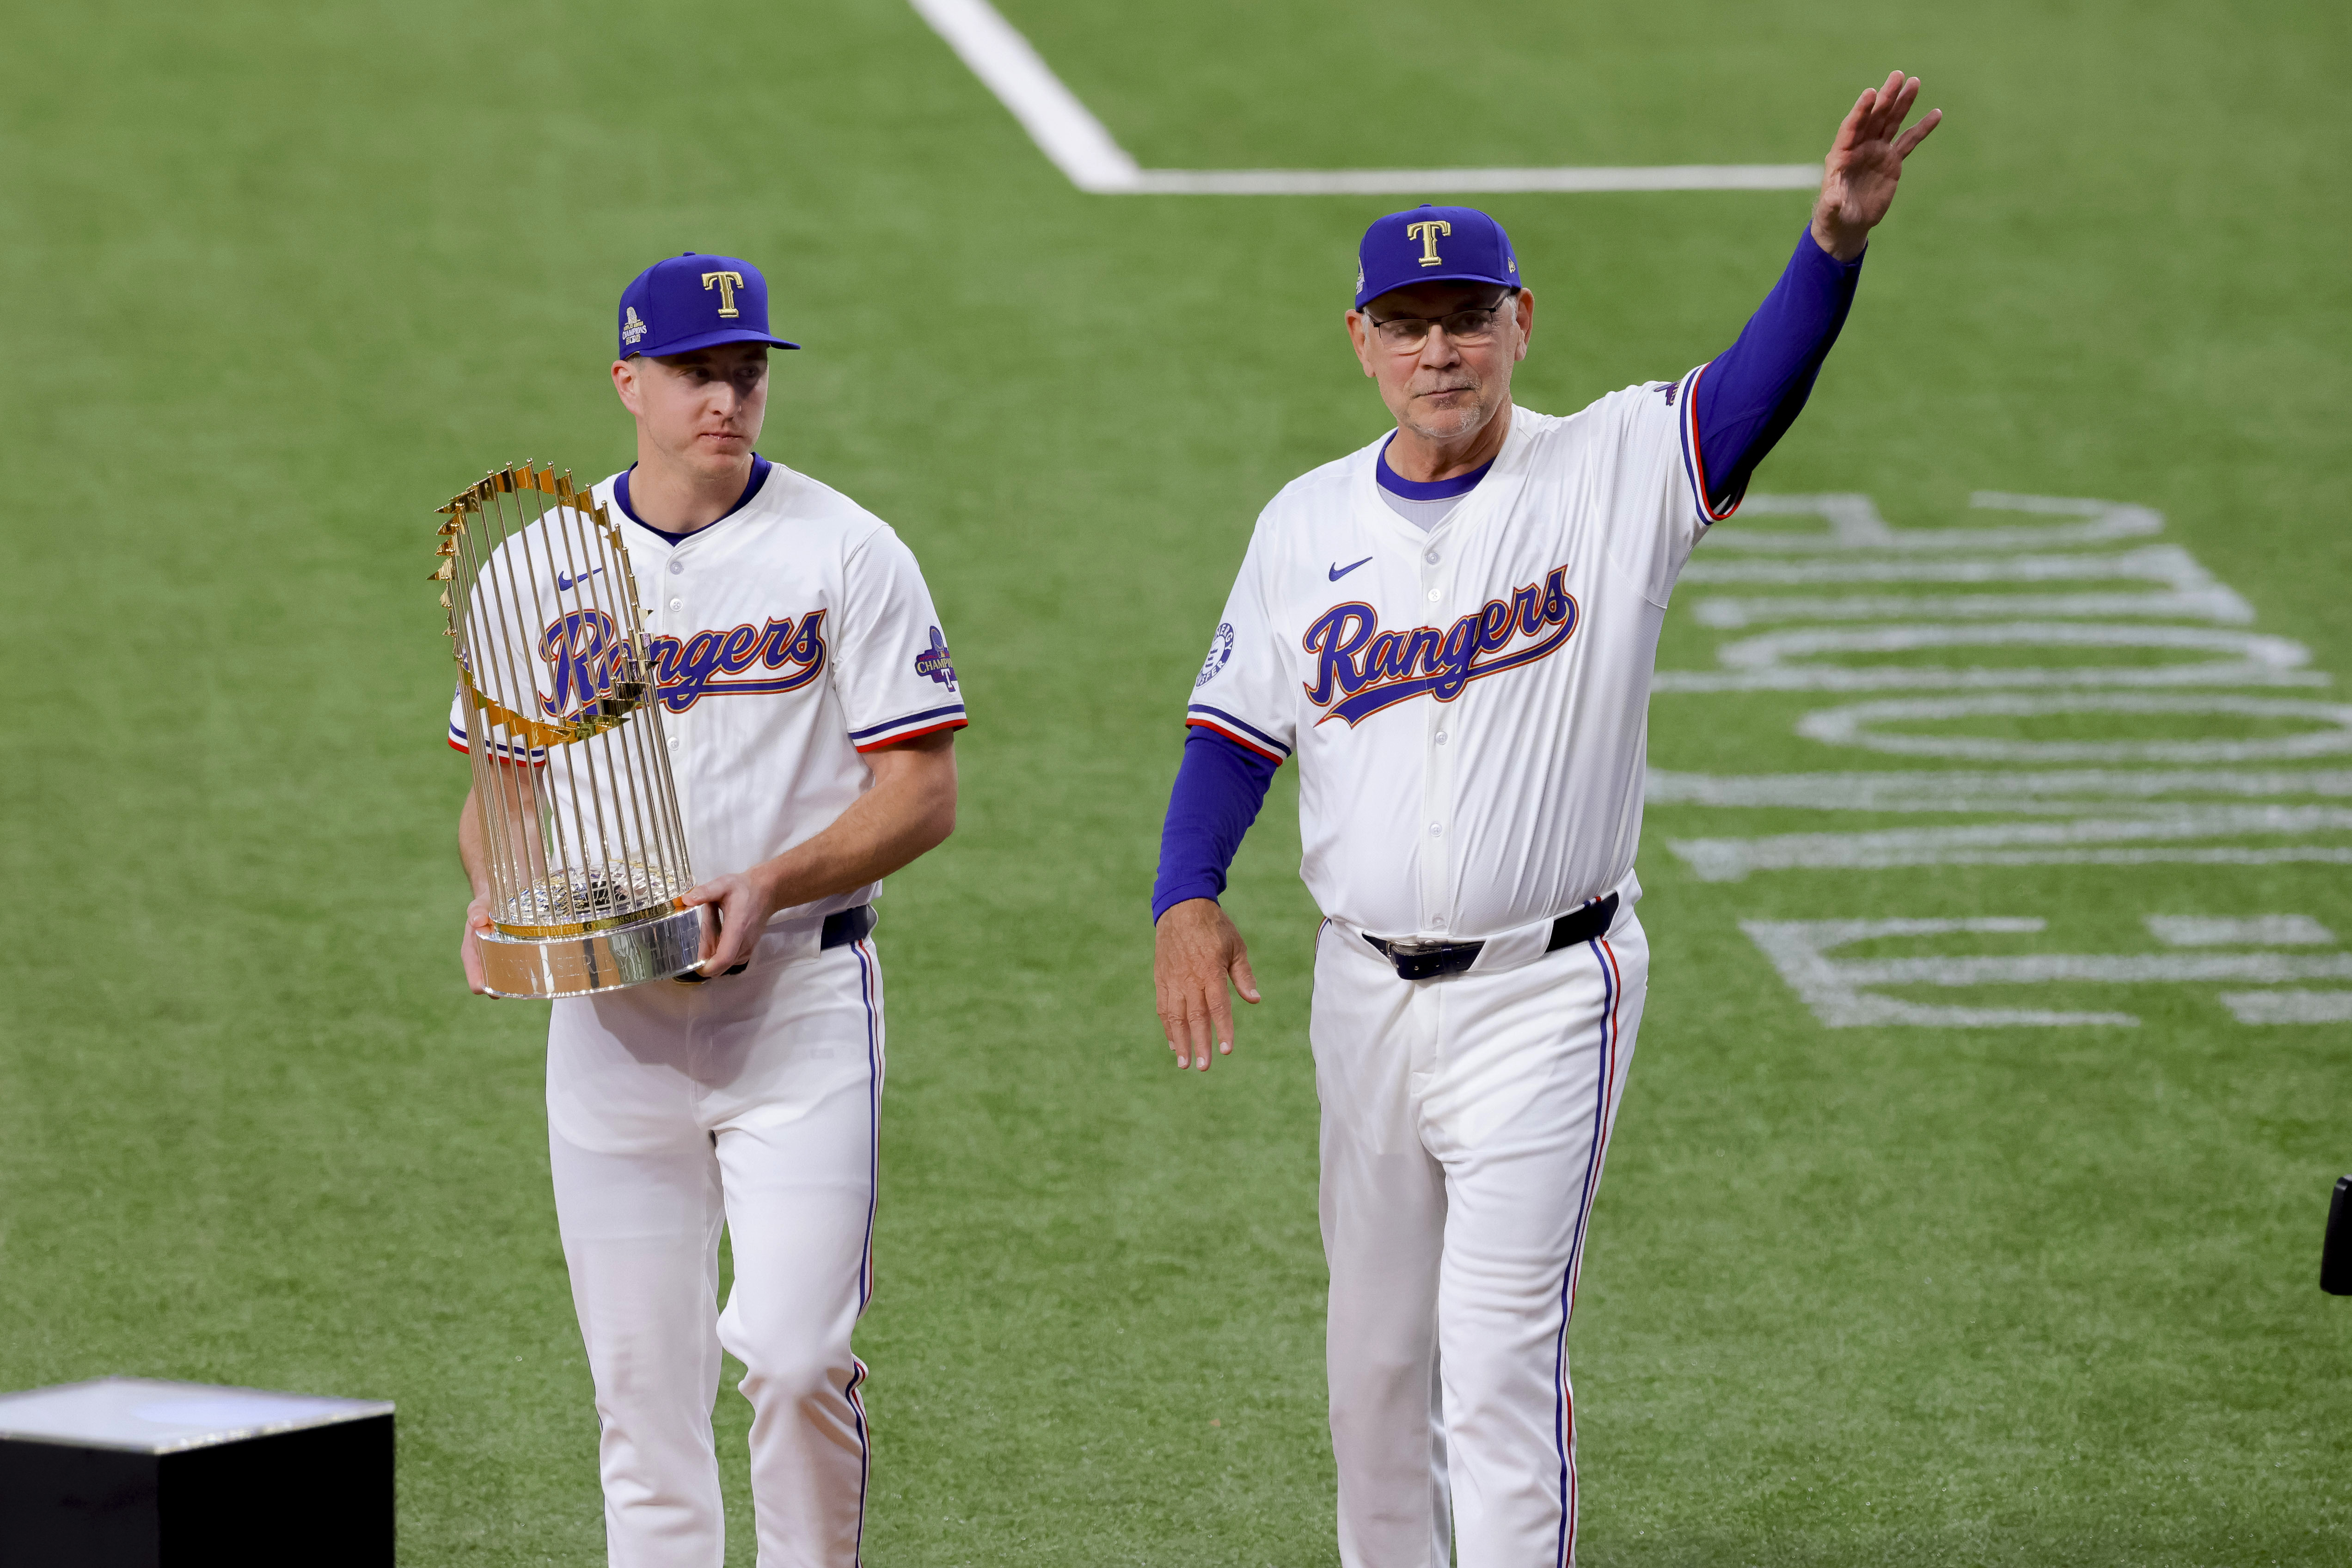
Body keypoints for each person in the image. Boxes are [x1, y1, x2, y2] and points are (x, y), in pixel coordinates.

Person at [1151, 75, 1940, 1567]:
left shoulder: (1620, 465)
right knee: (1376, 1366)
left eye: (1467, 316)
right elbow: (1232, 729)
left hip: (1547, 991)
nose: (1438, 347)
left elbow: (1756, 385)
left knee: (1500, 1358)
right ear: (1363, 344)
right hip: (1360, 993)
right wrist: (1185, 891)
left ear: (1525, 322)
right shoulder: (1304, 523)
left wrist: (1831, 243)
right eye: (1407, 321)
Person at [450, 252, 967, 1566]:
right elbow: (501, 793)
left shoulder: (846, 551)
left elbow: (921, 794)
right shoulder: (538, 569)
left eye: (746, 371)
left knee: (797, 1360)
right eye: (695, 373)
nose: (726, 399)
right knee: (643, 1401)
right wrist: (494, 898)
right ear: (630, 381)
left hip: (797, 1005)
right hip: (611, 1024)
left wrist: (773, 883)